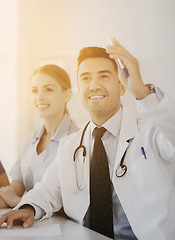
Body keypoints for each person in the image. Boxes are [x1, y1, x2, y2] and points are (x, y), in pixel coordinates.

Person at [0, 38, 175, 240]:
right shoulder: (71, 145)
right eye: (85, 78)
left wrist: (143, 92)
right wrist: (29, 207)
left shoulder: (151, 130)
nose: (94, 85)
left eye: (104, 76)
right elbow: (48, 189)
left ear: (122, 86)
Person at [0, 64, 78, 209]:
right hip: (31, 224)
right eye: (34, 91)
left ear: (66, 95)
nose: (39, 97)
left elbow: (70, 203)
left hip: (63, 227)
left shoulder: (76, 140)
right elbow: (16, 188)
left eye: (48, 89)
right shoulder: (30, 139)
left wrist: (18, 202)